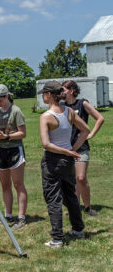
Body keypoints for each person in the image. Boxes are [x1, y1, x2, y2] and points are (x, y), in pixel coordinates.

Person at [38, 80, 90, 248]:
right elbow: (86, 131)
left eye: (43, 94)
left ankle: (57, 239)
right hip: (67, 161)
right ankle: (78, 230)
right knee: (70, 196)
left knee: (53, 199)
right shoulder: (69, 111)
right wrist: (72, 149)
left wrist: (68, 151)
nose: (43, 97)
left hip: (53, 160)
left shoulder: (46, 116)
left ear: (48, 95)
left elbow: (46, 144)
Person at [62, 80, 104, 216]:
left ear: (71, 91)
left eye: (64, 90)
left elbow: (100, 118)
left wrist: (90, 134)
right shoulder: (61, 106)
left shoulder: (82, 103)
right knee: (72, 180)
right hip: (67, 148)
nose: (62, 93)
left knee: (80, 178)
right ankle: (75, 206)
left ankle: (88, 207)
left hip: (81, 147)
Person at [0, 84, 28, 229]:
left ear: (7, 96)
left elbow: (22, 133)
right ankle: (8, 215)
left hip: (14, 150)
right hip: (0, 150)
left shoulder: (16, 111)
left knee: (18, 184)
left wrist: (7, 136)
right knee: (5, 185)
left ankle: (21, 218)